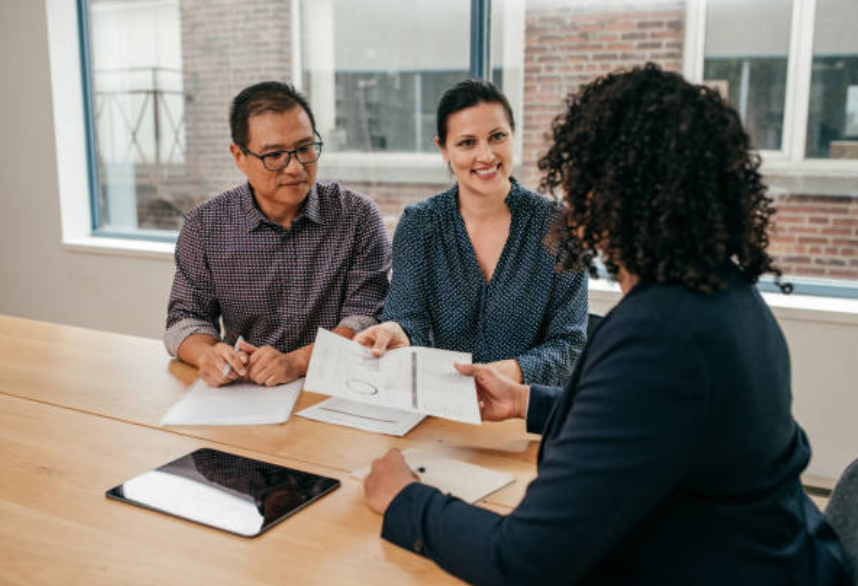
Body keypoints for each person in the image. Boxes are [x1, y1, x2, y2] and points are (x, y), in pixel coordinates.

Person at [362, 64, 850, 585]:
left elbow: (524, 562)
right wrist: (529, 403)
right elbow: (649, 422)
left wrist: (406, 500)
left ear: (607, 191)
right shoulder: (717, 293)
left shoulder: (661, 338)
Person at [356, 80, 587, 386]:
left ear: (513, 136)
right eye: (467, 143)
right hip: (437, 404)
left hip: (526, 410)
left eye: (497, 137)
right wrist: (396, 332)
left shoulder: (559, 226)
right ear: (444, 149)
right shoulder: (419, 224)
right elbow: (407, 319)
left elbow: (569, 344)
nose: (486, 155)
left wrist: (508, 373)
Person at [165, 81, 391, 387]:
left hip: (339, 385)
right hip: (245, 390)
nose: (295, 168)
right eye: (274, 155)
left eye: (305, 148)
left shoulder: (357, 216)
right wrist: (208, 355)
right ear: (239, 156)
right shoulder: (205, 225)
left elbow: (365, 319)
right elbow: (186, 320)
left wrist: (295, 363)